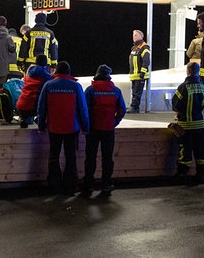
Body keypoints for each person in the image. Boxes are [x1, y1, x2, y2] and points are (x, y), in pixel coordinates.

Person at [37, 61, 89, 196]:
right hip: (72, 128)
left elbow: (41, 108)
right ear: (69, 72)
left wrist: (41, 125)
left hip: (54, 127)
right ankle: (70, 186)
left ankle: (55, 186)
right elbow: (83, 108)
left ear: (56, 72)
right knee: (70, 156)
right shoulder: (76, 86)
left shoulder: (48, 85)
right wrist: (85, 126)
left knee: (54, 156)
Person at [81, 64, 126, 198]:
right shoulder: (116, 91)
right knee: (107, 158)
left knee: (90, 158)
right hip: (108, 129)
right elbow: (122, 109)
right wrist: (114, 122)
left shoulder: (90, 90)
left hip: (93, 129)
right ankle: (106, 183)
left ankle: (88, 184)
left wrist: (86, 125)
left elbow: (84, 110)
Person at [172, 61, 204, 185]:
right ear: (198, 72)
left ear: (188, 71)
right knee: (200, 151)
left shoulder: (183, 87)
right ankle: (200, 175)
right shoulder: (203, 87)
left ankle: (182, 175)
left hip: (186, 127)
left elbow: (175, 105)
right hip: (200, 127)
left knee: (185, 152)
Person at [16, 54, 52, 128]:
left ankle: (23, 119)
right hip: (34, 105)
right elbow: (51, 82)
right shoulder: (44, 74)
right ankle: (40, 120)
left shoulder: (29, 71)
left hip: (21, 104)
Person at [128, 29, 150, 113]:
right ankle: (134, 108)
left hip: (140, 75)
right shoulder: (134, 48)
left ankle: (134, 107)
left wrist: (142, 73)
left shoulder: (144, 47)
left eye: (136, 35)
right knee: (134, 92)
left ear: (141, 36)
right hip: (134, 75)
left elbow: (146, 61)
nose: (134, 37)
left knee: (137, 93)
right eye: (133, 35)